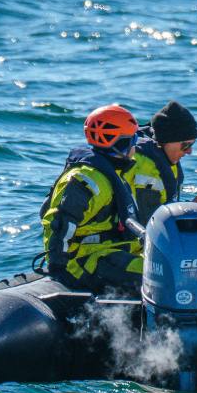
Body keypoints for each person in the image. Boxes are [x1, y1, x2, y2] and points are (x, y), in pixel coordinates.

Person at [39, 104, 144, 295]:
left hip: (111, 251)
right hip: (85, 261)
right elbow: (60, 225)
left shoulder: (111, 172)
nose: (135, 147)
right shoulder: (85, 180)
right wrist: (62, 270)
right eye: (133, 140)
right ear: (121, 144)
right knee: (156, 276)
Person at [126, 100, 197, 223]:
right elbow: (150, 221)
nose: (189, 151)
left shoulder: (164, 157)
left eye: (192, 144)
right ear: (166, 141)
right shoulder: (145, 167)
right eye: (185, 145)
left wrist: (191, 208)